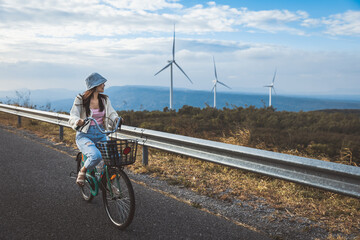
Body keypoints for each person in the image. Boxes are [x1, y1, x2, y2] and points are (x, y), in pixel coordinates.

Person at [69, 72, 120, 186]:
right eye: (101, 83)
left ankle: (109, 183)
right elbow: (73, 115)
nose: (104, 85)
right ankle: (82, 171)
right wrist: (78, 121)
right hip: (85, 134)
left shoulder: (104, 100)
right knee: (96, 156)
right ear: (94, 85)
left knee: (116, 157)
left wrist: (116, 119)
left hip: (101, 133)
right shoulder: (81, 99)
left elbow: (111, 114)